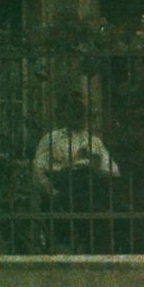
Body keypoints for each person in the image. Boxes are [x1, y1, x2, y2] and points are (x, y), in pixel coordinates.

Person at [32, 93, 122, 251]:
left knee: (103, 211)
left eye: (81, 113)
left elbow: (113, 170)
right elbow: (38, 170)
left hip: (91, 190)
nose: (78, 117)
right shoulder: (52, 139)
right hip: (64, 190)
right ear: (64, 115)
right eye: (74, 112)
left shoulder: (93, 141)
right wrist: (52, 193)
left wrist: (96, 164)